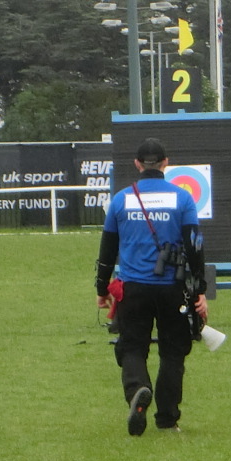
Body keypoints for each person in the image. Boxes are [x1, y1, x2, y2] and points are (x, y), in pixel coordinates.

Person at [96, 137, 208, 436]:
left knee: (132, 347)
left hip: (133, 288)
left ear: (137, 164)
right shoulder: (183, 199)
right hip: (173, 289)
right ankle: (167, 418)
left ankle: (138, 390)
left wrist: (101, 289)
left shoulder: (121, 200)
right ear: (165, 163)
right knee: (173, 352)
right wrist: (200, 291)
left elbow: (107, 249)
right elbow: (195, 247)